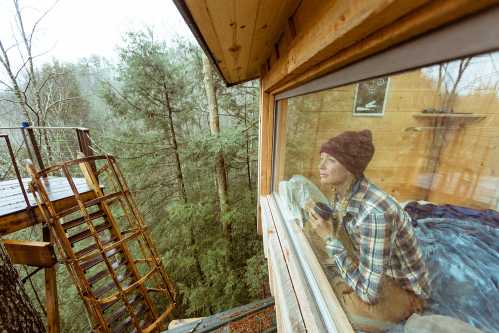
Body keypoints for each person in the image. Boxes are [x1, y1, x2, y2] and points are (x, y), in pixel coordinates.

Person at [307, 129, 430, 332]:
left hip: (402, 288)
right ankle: (343, 283)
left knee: (354, 316)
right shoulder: (342, 190)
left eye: (330, 160)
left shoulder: (374, 214)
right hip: (372, 267)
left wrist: (329, 239)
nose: (321, 166)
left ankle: (341, 286)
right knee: (313, 234)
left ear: (350, 168)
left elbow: (368, 294)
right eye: (322, 159)